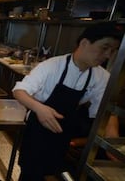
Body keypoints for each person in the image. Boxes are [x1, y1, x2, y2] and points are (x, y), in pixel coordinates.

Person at [12, 22, 123, 180]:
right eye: (104, 48)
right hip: (38, 130)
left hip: (63, 132)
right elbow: (19, 91)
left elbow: (104, 112)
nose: (107, 55)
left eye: (113, 51)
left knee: (53, 172)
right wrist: (40, 109)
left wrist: (112, 144)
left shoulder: (101, 76)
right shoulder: (51, 66)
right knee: (30, 173)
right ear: (84, 43)